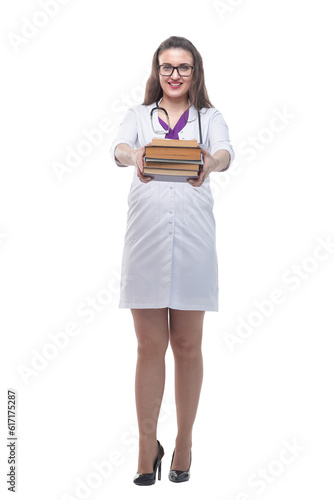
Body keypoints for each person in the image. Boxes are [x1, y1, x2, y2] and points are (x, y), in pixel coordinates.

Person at [110, 35, 234, 485]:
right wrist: (134, 154)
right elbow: (119, 148)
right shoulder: (139, 116)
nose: (175, 75)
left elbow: (224, 152)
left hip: (195, 240)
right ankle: (147, 445)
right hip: (145, 240)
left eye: (183, 67)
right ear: (156, 71)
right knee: (148, 347)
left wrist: (211, 162)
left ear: (195, 72)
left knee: (187, 346)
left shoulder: (209, 118)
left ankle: (183, 441)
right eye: (167, 67)